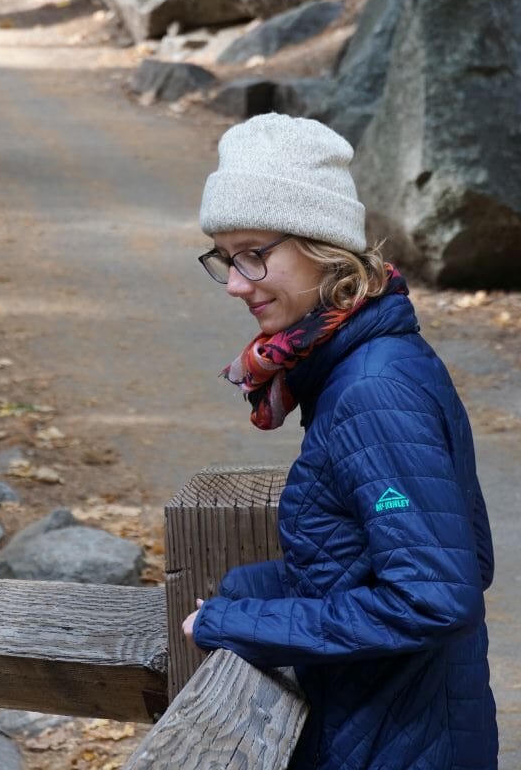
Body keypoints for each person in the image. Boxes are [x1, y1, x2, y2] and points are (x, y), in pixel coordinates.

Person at [182, 112, 497, 770]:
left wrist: (239, 624)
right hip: (387, 730)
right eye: (224, 257)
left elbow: (434, 595)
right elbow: (398, 559)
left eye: (253, 254)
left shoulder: (371, 390)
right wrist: (249, 591)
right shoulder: (349, 364)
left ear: (321, 246)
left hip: (397, 744)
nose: (235, 283)